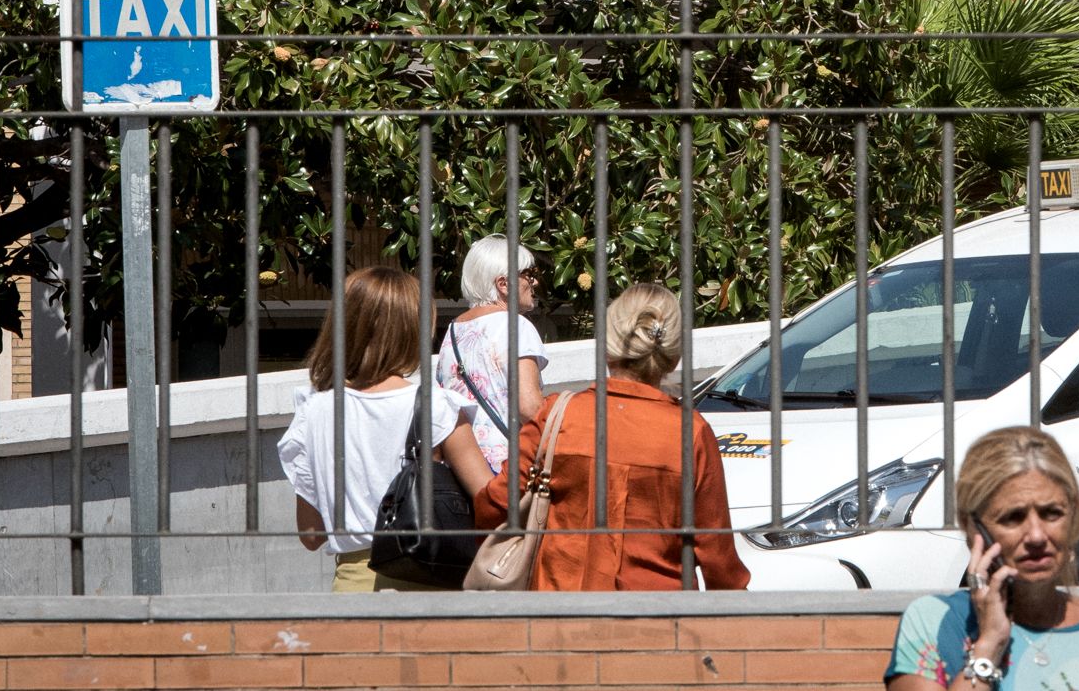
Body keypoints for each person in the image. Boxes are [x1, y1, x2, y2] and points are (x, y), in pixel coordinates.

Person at [459, 282, 749, 591]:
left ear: (608, 347)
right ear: (674, 356)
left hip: (557, 616)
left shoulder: (558, 416)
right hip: (658, 620)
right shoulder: (690, 433)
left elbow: (496, 503)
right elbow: (717, 557)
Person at [885, 425, 1079, 691]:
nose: (1037, 536)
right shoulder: (935, 621)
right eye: (1013, 518)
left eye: (1052, 513)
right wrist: (988, 645)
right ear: (974, 527)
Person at [277, 265, 489, 592]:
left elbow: (311, 534)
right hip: (427, 581)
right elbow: (490, 499)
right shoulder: (436, 406)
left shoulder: (313, 411)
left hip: (352, 590)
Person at [434, 235, 551, 473]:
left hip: (462, 469)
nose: (535, 282)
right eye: (528, 274)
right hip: (507, 470)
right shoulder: (516, 326)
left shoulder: (453, 332)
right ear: (503, 284)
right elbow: (528, 406)